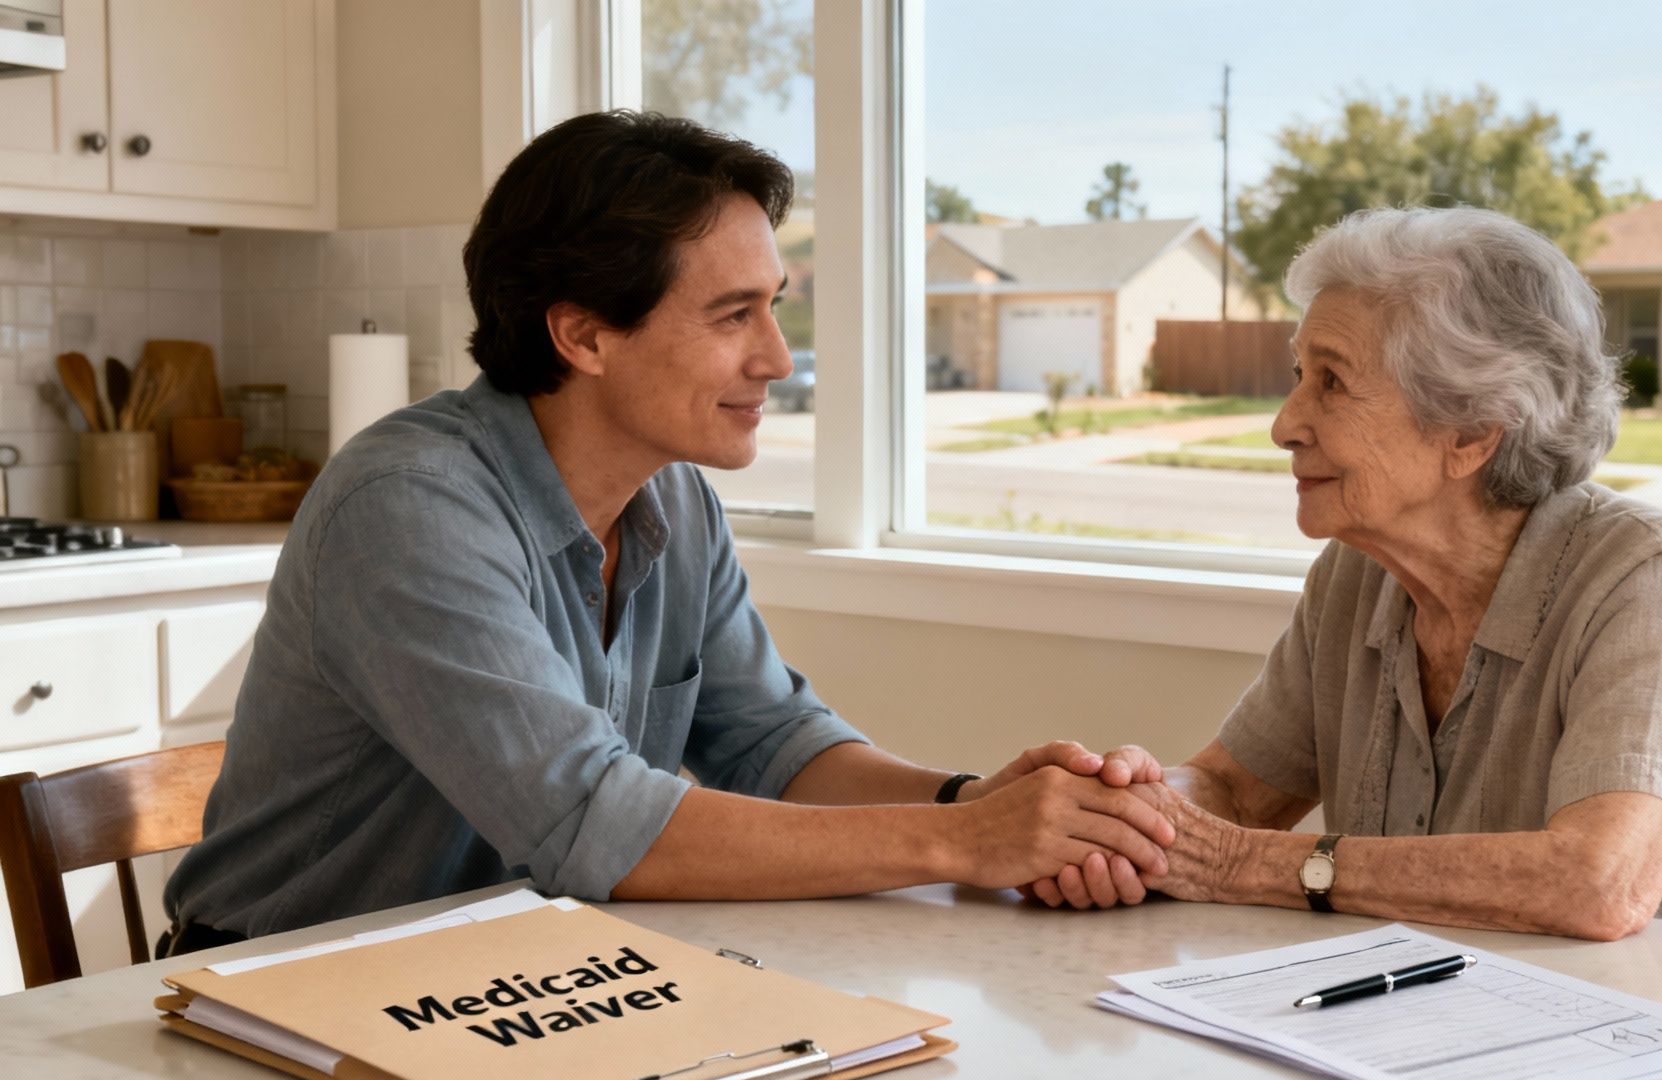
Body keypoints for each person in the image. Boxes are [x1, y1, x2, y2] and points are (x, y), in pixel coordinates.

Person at [160, 111, 1170, 952]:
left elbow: (773, 742)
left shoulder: (672, 499)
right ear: (584, 333)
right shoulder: (409, 508)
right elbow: (594, 823)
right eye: (734, 315)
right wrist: (965, 845)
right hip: (283, 992)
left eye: (774, 308)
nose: (777, 357)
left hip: (515, 974)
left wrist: (970, 801)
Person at [1031, 207, 1662, 940]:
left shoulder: (1652, 583)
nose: (1284, 424)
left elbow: (1596, 883)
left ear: (1469, 432)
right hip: (1459, 1022)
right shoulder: (1357, 574)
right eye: (1300, 374)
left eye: (1331, 381)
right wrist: (1133, 816)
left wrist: (1237, 862)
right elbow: (1234, 791)